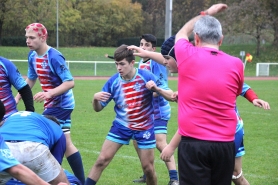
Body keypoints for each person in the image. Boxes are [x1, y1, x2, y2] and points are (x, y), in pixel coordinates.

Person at [130, 35, 271, 185]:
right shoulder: (187, 68)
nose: (164, 62)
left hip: (229, 131)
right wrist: (145, 53)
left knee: (235, 174)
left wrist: (253, 97)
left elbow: (241, 86)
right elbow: (165, 57)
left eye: (167, 58)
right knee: (225, 175)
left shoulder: (205, 70)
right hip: (209, 134)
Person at [155, 4, 244, 185]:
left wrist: (206, 13)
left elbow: (181, 32)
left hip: (194, 144)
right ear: (221, 40)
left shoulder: (186, 54)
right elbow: (233, 94)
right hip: (226, 144)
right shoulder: (237, 64)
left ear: (196, 38)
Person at [85, 45, 173, 185]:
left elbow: (172, 96)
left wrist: (156, 89)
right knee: (101, 160)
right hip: (121, 126)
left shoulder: (146, 77)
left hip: (144, 127)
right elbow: (98, 109)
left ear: (132, 63)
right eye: (116, 64)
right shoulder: (113, 82)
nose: (119, 68)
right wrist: (95, 99)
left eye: (122, 64)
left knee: (148, 169)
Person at [14, 23, 85, 184]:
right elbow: (31, 79)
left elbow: (70, 82)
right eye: (26, 37)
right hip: (52, 103)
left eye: (32, 38)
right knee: (67, 143)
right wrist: (18, 97)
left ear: (43, 38)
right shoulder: (32, 56)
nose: (28, 41)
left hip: (61, 104)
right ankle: (81, 181)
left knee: (41, 135)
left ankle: (45, 177)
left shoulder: (54, 56)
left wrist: (49, 93)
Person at [132, 34, 178, 185]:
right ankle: (148, 172)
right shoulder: (141, 62)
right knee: (137, 140)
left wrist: (150, 90)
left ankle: (174, 178)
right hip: (147, 109)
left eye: (146, 45)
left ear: (153, 49)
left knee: (160, 143)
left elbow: (161, 87)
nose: (143, 47)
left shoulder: (156, 62)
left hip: (158, 107)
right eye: (141, 44)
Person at [0, 100, 68, 185]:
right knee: (62, 182)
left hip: (5, 145)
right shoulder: (57, 130)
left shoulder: (11, 117)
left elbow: (15, 170)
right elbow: (57, 164)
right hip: (34, 149)